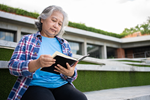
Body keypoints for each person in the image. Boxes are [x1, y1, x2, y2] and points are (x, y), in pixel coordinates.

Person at [7, 5, 87, 100]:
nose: (56, 26)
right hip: (35, 85)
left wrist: (71, 73)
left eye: (59, 24)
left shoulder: (64, 44)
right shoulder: (27, 40)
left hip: (61, 84)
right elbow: (12, 66)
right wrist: (36, 63)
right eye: (53, 20)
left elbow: (73, 73)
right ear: (42, 19)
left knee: (80, 98)